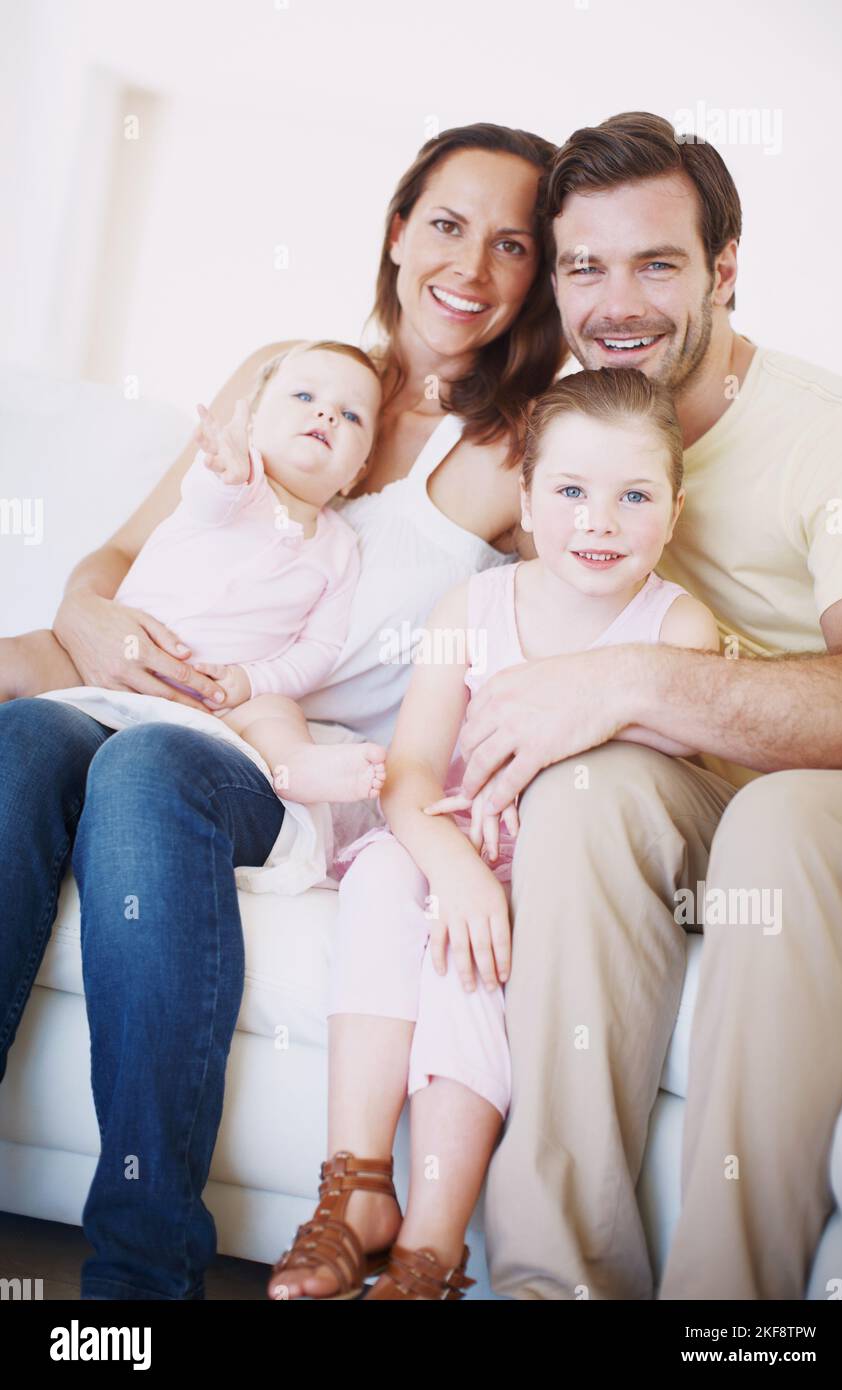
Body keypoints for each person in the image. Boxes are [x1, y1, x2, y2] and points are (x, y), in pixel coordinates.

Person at [0, 122, 568, 1299]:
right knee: (20, 741)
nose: (469, 266)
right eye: (447, 224)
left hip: (284, 765)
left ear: (538, 272)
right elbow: (117, 555)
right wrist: (91, 615)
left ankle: (141, 1276)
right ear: (399, 228)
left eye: (512, 244)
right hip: (132, 693)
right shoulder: (293, 369)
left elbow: (613, 575)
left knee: (147, 769)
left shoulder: (518, 446)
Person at [453, 112, 842, 1301]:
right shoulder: (574, 429)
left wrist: (627, 678)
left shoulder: (829, 438)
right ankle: (550, 1281)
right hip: (693, 779)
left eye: (656, 263)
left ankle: (725, 1315)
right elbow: (391, 553)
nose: (613, 300)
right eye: (583, 265)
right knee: (581, 794)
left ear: (723, 270)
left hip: (825, 800)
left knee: (779, 826)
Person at [266, 367, 720, 1301]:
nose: (598, 521)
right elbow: (413, 772)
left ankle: (431, 1247)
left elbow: (658, 794)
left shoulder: (677, 631)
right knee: (388, 881)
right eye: (570, 492)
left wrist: (485, 888)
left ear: (673, 513)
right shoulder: (471, 609)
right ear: (525, 500)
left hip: (557, 874)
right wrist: (457, 869)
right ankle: (353, 1185)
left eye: (634, 496)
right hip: (450, 843)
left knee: (467, 955)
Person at [6, 340, 388, 806]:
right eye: (305, 397)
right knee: (22, 654)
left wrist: (251, 681)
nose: (327, 415)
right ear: (251, 422)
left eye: (352, 416)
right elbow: (208, 501)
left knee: (277, 715)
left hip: (215, 706)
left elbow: (320, 649)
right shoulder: (237, 485)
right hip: (103, 667)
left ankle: (297, 766)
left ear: (359, 472)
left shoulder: (341, 549)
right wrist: (225, 469)